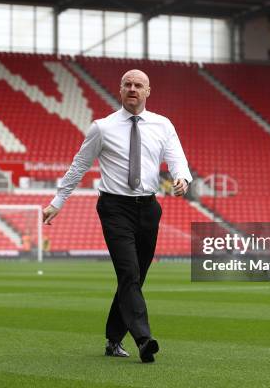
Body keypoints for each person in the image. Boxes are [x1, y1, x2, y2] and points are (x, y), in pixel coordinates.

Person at [43, 69, 192, 363]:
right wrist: (57, 201)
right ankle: (143, 339)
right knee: (129, 273)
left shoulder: (163, 125)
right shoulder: (102, 127)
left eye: (139, 85)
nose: (133, 88)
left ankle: (113, 339)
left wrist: (182, 178)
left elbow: (177, 158)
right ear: (120, 90)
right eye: (128, 84)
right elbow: (79, 165)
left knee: (135, 277)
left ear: (148, 91)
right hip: (115, 208)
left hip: (149, 207)